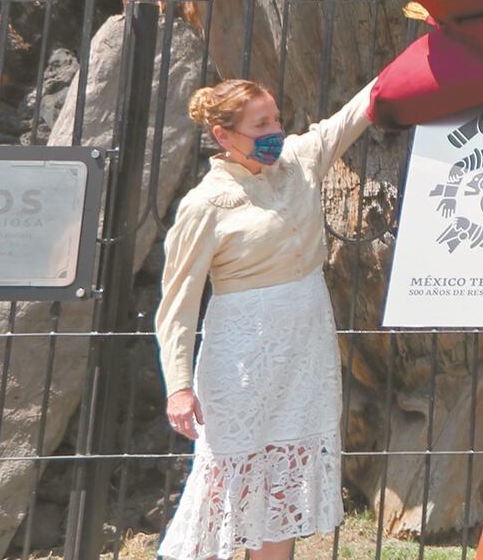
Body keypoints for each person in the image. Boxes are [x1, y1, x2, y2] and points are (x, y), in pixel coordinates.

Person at [154, 76, 376, 560]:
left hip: (305, 346)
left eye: (276, 118)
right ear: (224, 136)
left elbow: (355, 114)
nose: (276, 129)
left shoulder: (298, 160)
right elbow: (177, 305)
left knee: (284, 483)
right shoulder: (204, 204)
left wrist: (432, 41)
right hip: (242, 358)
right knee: (226, 479)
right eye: (261, 124)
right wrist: (178, 385)